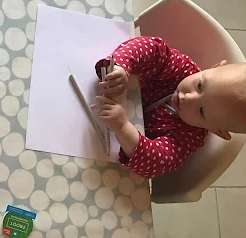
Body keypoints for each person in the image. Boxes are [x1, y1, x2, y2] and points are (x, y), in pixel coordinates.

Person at [92, 36, 246, 178]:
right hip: (99, 91)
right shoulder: (184, 70)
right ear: (215, 67)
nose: (187, 98)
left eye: (201, 111)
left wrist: (122, 127)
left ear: (216, 130)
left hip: (102, 143)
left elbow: (156, 162)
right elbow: (151, 48)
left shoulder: (189, 137)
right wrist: (121, 66)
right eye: (200, 86)